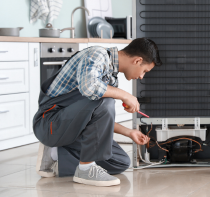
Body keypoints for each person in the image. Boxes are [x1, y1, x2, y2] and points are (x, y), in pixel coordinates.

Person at [33, 38, 162, 187]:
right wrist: (125, 95)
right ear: (138, 60)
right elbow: (90, 88)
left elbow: (97, 116)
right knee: (105, 100)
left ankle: (55, 153)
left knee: (120, 161)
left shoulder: (111, 78)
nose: (141, 76)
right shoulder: (97, 55)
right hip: (49, 123)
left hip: (70, 127)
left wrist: (129, 132)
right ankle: (86, 168)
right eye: (144, 71)